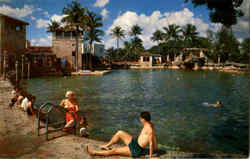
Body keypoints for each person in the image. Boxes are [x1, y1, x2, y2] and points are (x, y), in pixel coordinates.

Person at [86, 111, 157, 158]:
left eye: (141, 118)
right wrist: (156, 148)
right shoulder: (149, 124)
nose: (140, 120)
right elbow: (154, 138)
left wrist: (151, 156)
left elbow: (151, 143)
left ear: (144, 119)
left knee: (115, 151)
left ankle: (94, 152)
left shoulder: (150, 129)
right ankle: (106, 146)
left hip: (136, 150)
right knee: (120, 132)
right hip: (135, 143)